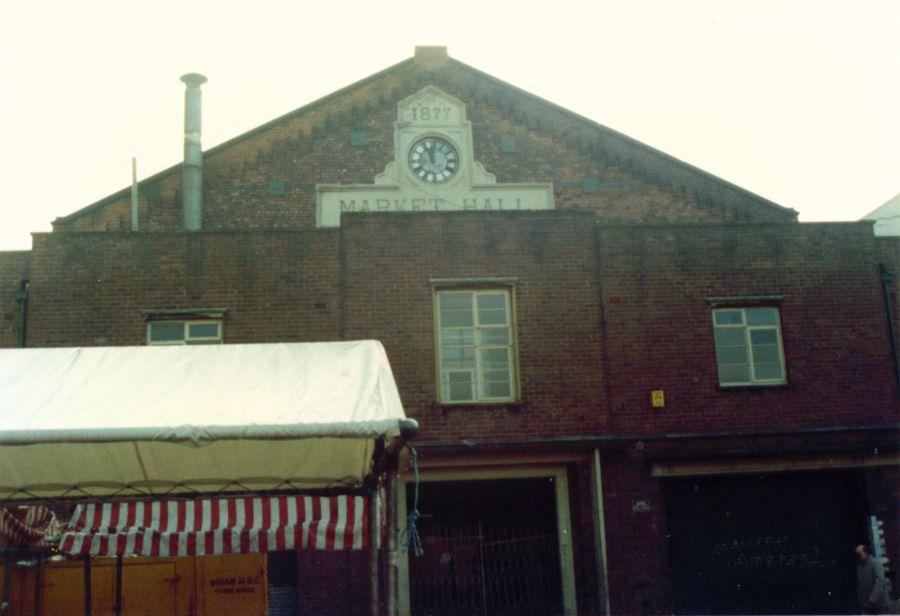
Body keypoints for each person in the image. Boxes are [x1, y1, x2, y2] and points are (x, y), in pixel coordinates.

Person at [856, 544, 892, 614]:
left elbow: (880, 581)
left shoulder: (875, 564)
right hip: (866, 604)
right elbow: (860, 583)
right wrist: (860, 599)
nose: (858, 557)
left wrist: (873, 597)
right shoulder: (859, 567)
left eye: (859, 554)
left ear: (866, 553)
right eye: (857, 555)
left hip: (880, 604)